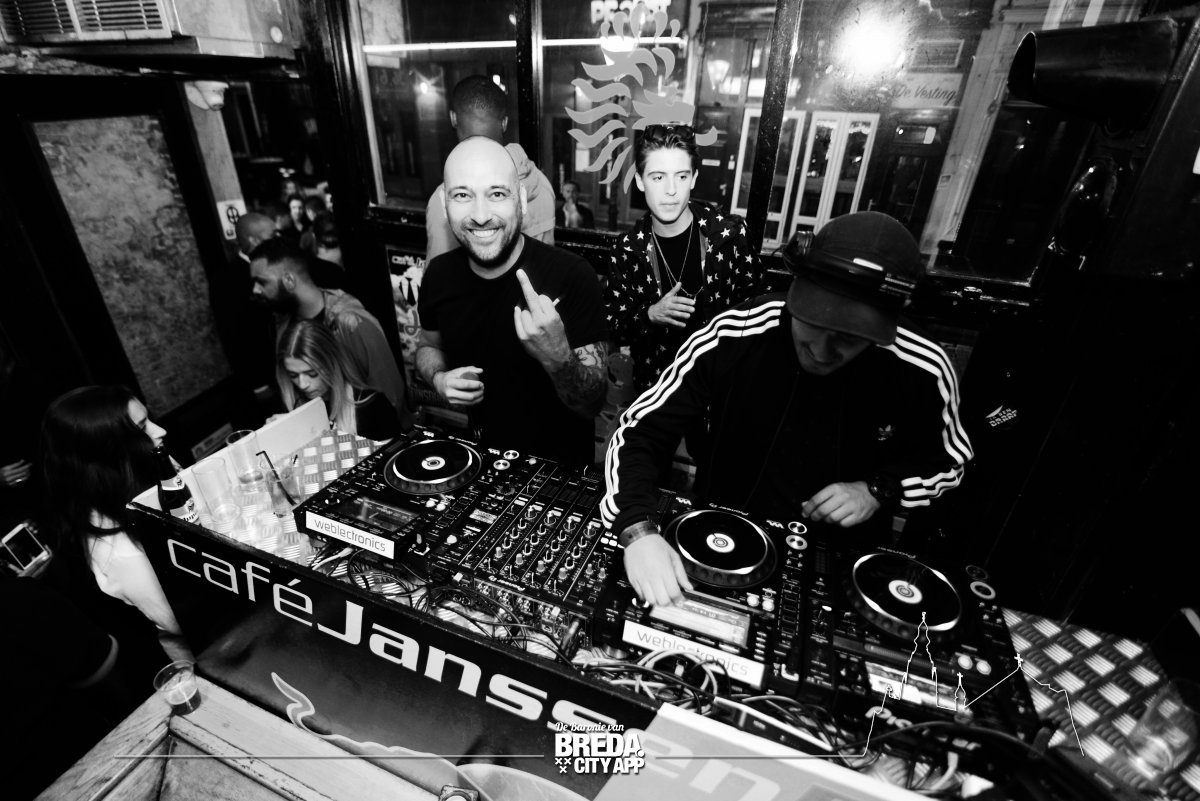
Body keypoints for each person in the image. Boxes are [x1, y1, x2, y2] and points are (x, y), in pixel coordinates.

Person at [601, 212, 973, 606]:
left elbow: (950, 462)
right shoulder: (734, 331)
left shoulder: (924, 367)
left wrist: (879, 489)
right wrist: (637, 529)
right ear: (797, 288)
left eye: (849, 338)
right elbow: (639, 431)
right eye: (813, 322)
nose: (822, 350)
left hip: (842, 564)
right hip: (719, 534)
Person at [417, 137, 608, 466]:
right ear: (445, 206)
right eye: (462, 195)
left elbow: (592, 403)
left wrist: (558, 357)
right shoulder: (438, 275)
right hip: (482, 463)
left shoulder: (571, 275)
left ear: (520, 199)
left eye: (496, 194)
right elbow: (426, 347)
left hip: (558, 475)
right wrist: (439, 379)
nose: (480, 215)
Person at [38, 385, 193, 683]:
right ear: (111, 451)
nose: (160, 431)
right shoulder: (121, 553)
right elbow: (185, 620)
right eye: (142, 427)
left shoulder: (146, 472)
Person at [606, 124, 766, 396]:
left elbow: (759, 312)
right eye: (658, 177)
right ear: (640, 181)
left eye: (681, 176)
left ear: (693, 179)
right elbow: (613, 325)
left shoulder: (728, 239)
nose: (671, 190)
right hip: (657, 393)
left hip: (721, 392)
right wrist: (650, 315)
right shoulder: (628, 250)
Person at [249, 238, 409, 430]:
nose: (255, 290)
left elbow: (391, 397)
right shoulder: (283, 324)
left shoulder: (351, 322)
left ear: (289, 280)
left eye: (262, 281)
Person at [425, 75, 555, 262]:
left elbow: (440, 274)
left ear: (453, 118)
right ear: (505, 122)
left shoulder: (451, 200)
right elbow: (549, 258)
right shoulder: (541, 182)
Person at [277, 319, 399, 442]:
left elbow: (395, 453)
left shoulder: (371, 405)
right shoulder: (291, 407)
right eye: (293, 375)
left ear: (332, 363)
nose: (302, 384)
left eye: (312, 373)